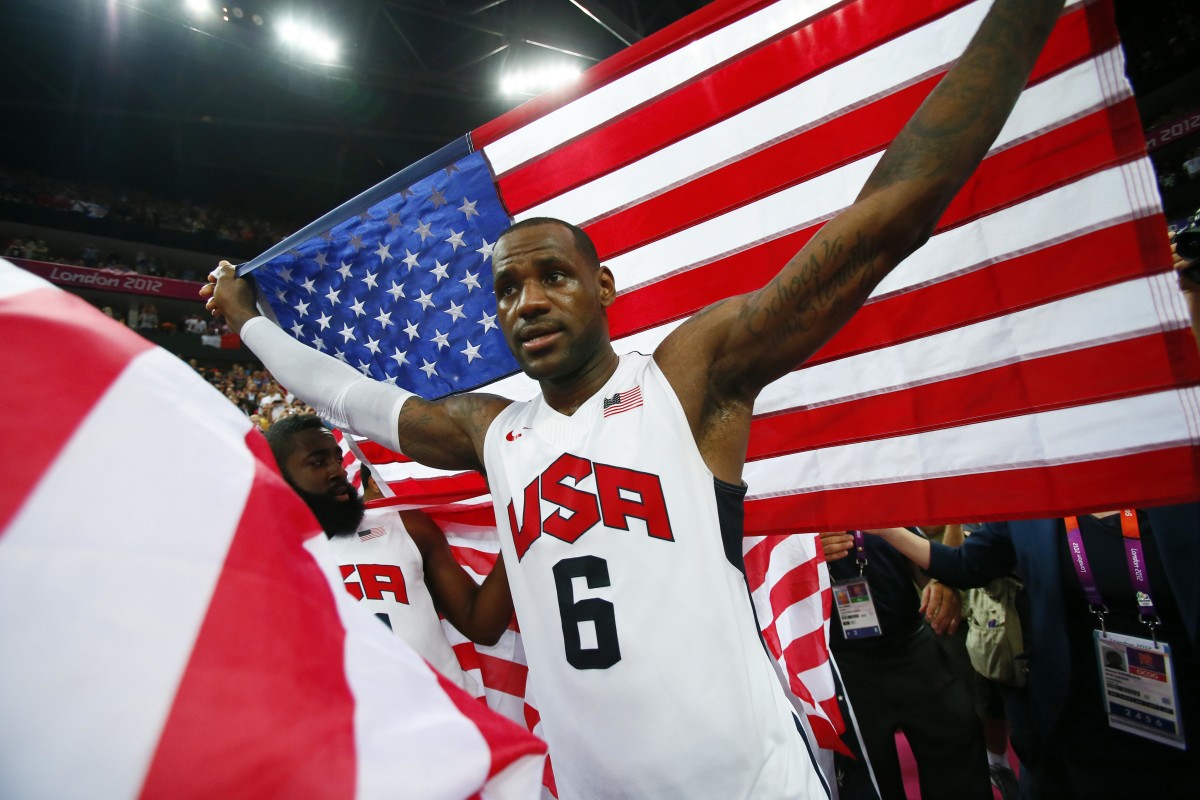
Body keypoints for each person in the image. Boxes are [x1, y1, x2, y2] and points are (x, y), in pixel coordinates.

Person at [204, 2, 1066, 795]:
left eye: (552, 277)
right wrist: (250, 326)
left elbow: (886, 220)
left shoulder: (688, 379)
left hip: (749, 782)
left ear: (604, 286)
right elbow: (352, 399)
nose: (528, 301)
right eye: (506, 289)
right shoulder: (493, 432)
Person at [853, 508, 1200, 799]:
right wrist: (889, 531)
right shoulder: (1035, 505)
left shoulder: (1178, 489)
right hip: (1078, 697)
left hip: (1181, 691)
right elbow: (967, 565)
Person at [264, 414, 513, 693]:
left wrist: (516, 523)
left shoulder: (404, 525)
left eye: (336, 458)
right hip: (355, 731)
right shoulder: (261, 566)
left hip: (451, 720)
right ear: (276, 475)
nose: (338, 470)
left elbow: (482, 626)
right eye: (318, 462)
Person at [819, 529, 991, 800]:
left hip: (912, 647)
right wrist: (803, 556)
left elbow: (923, 562)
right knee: (868, 781)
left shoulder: (875, 493)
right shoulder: (790, 500)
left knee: (958, 750)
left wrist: (941, 585)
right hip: (843, 666)